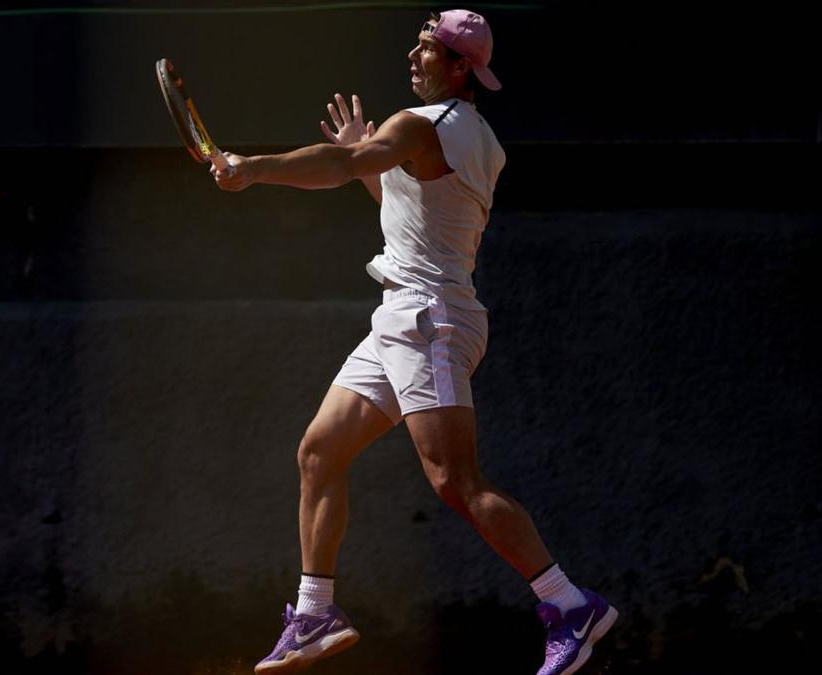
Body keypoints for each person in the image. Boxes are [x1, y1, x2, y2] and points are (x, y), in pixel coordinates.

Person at [211, 9, 617, 675]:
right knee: (319, 452)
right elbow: (407, 210)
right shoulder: (476, 138)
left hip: (430, 320)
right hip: (404, 315)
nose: (411, 56)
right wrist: (368, 158)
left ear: (460, 68)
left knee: (455, 481)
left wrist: (252, 169)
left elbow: (342, 167)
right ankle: (315, 612)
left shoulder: (418, 126)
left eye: (426, 50)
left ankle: (570, 604)